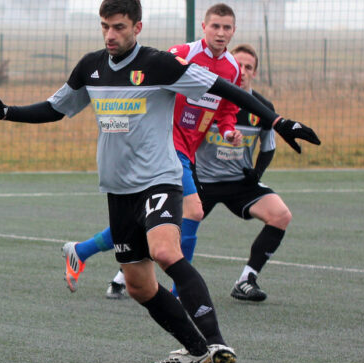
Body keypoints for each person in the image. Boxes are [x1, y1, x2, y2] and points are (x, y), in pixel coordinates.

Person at [0, 0, 318, 363]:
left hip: (160, 180)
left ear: (138, 27)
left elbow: (225, 88)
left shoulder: (159, 64)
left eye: (118, 27)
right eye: (105, 26)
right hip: (118, 191)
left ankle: (218, 343)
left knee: (166, 252)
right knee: (138, 285)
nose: (110, 35)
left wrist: (277, 120)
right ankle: (196, 350)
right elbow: (56, 108)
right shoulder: (91, 67)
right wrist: (6, 112)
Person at [61, 3, 245, 299]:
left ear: (234, 31)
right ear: (204, 27)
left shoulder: (232, 69)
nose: (221, 33)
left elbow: (226, 109)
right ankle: (178, 292)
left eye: (226, 28)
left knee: (148, 222)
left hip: (188, 151)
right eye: (215, 26)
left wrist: (226, 130)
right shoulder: (180, 55)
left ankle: (82, 251)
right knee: (194, 211)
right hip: (167, 147)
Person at [195, 43, 289, 301]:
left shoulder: (262, 106)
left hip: (240, 183)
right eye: (239, 66)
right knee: (168, 226)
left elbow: (268, 147)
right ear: (231, 68)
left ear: (255, 73)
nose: (243, 71)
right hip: (202, 181)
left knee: (280, 215)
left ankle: (246, 279)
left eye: (249, 67)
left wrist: (256, 173)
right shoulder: (208, 99)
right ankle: (126, 275)